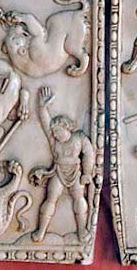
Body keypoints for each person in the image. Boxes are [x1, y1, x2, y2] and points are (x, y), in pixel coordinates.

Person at [30, 87, 94, 243]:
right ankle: (41, 231)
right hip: (58, 171)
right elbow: (45, 123)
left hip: (76, 172)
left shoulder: (79, 138)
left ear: (66, 127)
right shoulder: (54, 142)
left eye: (57, 131)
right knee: (50, 199)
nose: (55, 134)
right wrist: (42, 107)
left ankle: (81, 230)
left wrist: (86, 173)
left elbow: (89, 153)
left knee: (79, 199)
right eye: (54, 132)